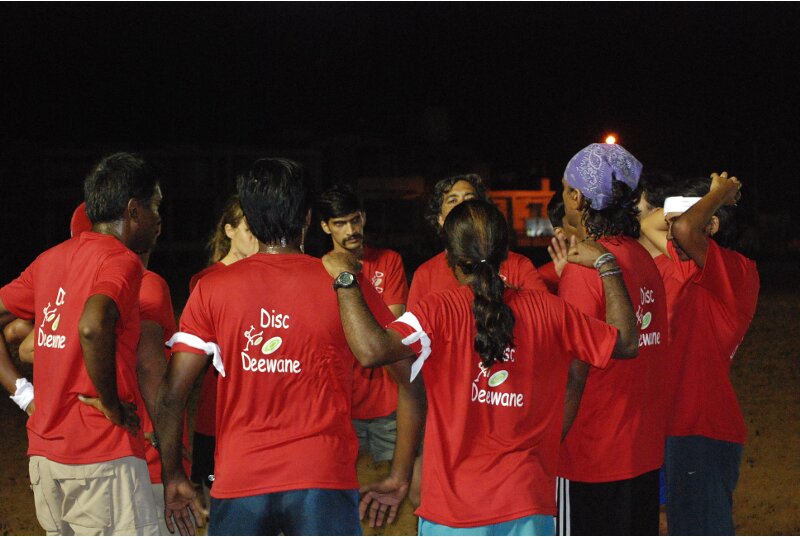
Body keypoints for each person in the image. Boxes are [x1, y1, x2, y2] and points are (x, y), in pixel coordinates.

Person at [322, 199, 640, 535]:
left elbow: (372, 350)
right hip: (526, 502)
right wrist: (608, 266)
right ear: (507, 253)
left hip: (454, 510)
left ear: (451, 259)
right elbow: (627, 343)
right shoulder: (550, 310)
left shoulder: (438, 311)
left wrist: (345, 279)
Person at [155, 158, 410, 536]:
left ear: (252, 222)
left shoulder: (213, 288)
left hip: (241, 478)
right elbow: (408, 372)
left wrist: (173, 473)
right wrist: (401, 472)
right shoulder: (341, 283)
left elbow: (173, 395)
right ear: (308, 217)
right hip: (322, 477)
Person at [0, 152, 162, 535]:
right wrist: (110, 402)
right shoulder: (121, 262)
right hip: (102, 458)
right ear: (133, 209)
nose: (159, 219)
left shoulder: (49, 259)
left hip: (46, 459)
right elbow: (93, 325)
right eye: (156, 206)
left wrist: (23, 394)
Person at [406, 173, 548, 507]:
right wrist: (416, 457)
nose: (462, 204)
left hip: (508, 413)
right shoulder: (426, 274)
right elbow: (411, 360)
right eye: (451, 201)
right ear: (440, 220)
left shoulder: (519, 266)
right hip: (449, 423)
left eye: (470, 198)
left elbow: (544, 332)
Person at [555, 143, 668, 536]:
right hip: (642, 447)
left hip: (593, 453)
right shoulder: (641, 258)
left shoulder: (585, 267)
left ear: (575, 196)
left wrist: (553, 438)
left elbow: (575, 367)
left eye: (564, 187)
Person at [639, 172, 759, 535]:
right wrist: (701, 202)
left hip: (701, 427)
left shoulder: (737, 272)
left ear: (713, 223)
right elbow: (646, 224)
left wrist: (718, 193)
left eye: (679, 216)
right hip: (663, 426)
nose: (670, 224)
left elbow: (687, 231)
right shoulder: (673, 265)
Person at [317, 183, 408, 468]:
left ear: (364, 218)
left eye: (354, 220)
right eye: (340, 223)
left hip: (386, 404)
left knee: (390, 495)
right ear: (325, 227)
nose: (350, 230)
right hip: (338, 405)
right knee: (343, 493)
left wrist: (349, 280)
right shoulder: (316, 270)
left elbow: (392, 329)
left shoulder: (389, 261)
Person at [188, 195, 258, 505]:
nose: (256, 235)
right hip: (217, 410)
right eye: (248, 228)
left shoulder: (267, 277)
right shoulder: (205, 282)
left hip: (260, 409)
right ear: (229, 230)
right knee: (220, 506)